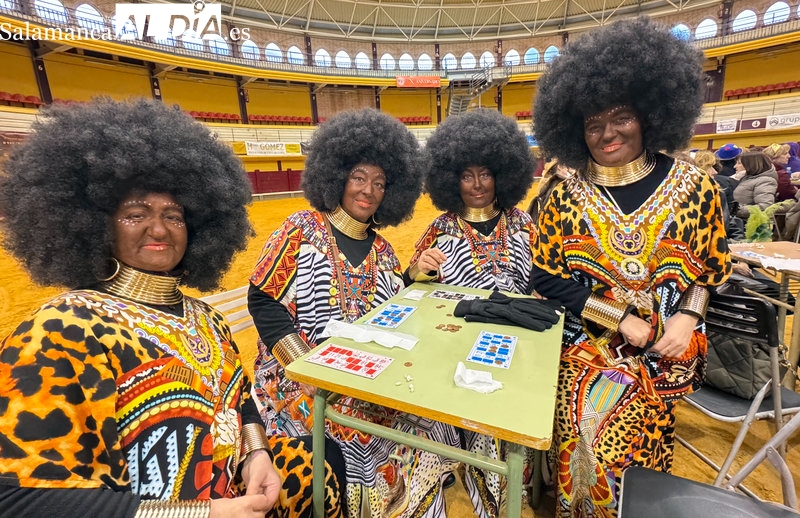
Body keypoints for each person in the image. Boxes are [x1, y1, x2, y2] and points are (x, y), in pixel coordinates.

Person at [0, 98, 344, 517]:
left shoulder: (205, 318)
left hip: (236, 493)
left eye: (174, 215)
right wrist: (204, 514)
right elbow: (16, 499)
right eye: (135, 214)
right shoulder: (60, 331)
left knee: (323, 457)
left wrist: (257, 455)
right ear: (94, 223)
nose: (159, 228)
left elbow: (240, 401)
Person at [531, 18, 731, 517]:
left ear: (648, 114)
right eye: (592, 124)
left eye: (620, 117)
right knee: (588, 438)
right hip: (586, 348)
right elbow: (545, 277)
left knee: (646, 455)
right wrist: (616, 318)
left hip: (668, 351)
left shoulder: (695, 185)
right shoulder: (563, 196)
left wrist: (688, 319)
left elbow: (710, 269)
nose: (606, 133)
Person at [248, 108, 459, 518]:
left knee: (431, 418)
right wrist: (305, 366)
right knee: (358, 437)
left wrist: (413, 275)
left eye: (380, 183)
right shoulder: (301, 229)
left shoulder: (381, 248)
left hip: (365, 372)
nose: (369, 190)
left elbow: (387, 304)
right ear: (337, 175)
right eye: (359, 177)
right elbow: (263, 301)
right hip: (299, 377)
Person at [405, 108, 537, 517]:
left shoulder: (523, 224)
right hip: (453, 348)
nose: (477, 185)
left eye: (485, 173)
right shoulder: (440, 228)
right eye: (466, 175)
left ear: (502, 174)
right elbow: (410, 287)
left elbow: (543, 283)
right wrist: (416, 271)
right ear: (451, 180)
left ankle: (501, 499)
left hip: (516, 346)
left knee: (503, 437)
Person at [732, 150, 779, 219]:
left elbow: (765, 207)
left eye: (739, 163)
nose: (735, 166)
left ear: (751, 165)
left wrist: (735, 210)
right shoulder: (745, 178)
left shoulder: (765, 181)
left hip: (748, 224)